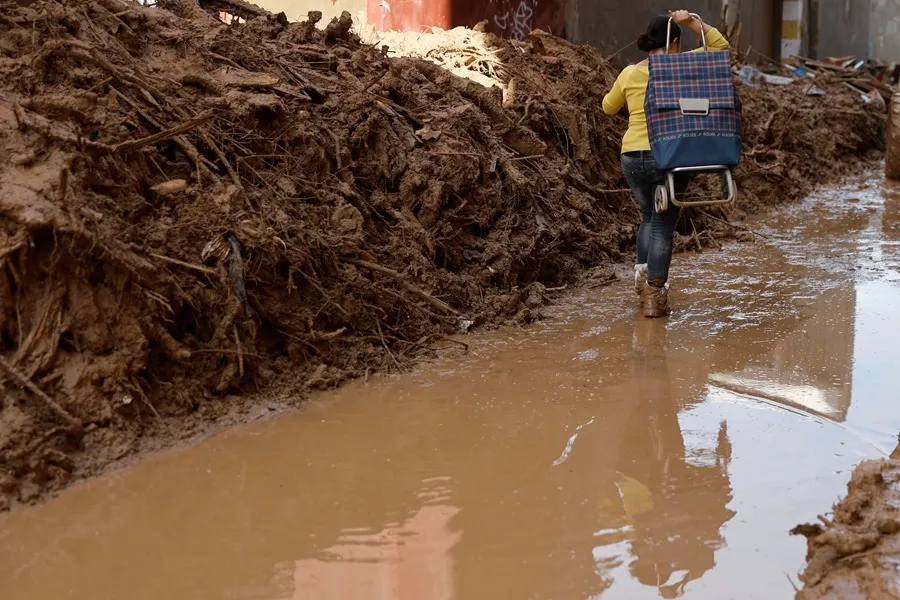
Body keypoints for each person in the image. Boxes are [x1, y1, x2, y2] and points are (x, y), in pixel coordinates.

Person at [602, 11, 729, 317]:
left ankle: (642, 280)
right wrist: (690, 21)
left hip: (632, 157)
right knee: (662, 224)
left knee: (648, 215)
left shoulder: (629, 73)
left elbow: (607, 107)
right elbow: (720, 46)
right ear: (674, 44)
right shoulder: (682, 66)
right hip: (668, 156)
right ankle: (654, 295)